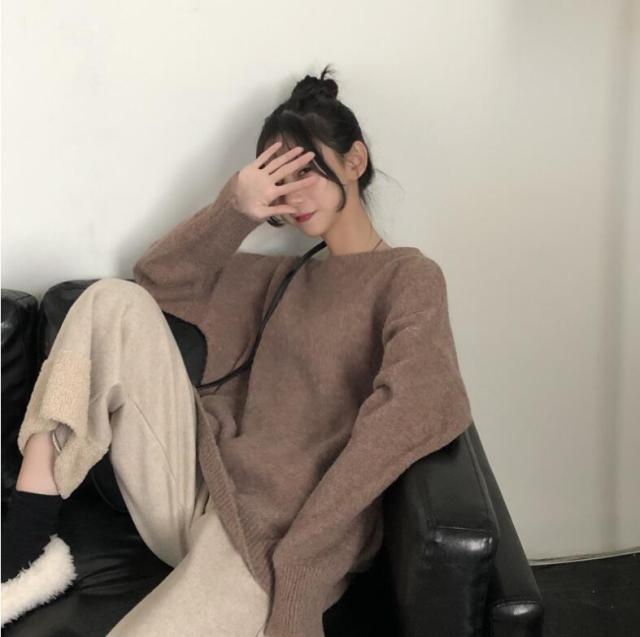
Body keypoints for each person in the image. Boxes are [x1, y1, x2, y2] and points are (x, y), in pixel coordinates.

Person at [1, 64, 473, 636]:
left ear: (354, 161)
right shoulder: (277, 277)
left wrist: (303, 556)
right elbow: (155, 282)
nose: (291, 195)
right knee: (110, 300)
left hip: (273, 534)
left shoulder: (408, 277)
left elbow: (423, 405)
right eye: (279, 179)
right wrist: (236, 209)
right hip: (198, 490)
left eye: (305, 171)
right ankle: (24, 544)